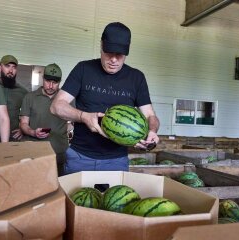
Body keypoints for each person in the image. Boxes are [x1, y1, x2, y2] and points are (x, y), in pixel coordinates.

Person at [50, 22, 160, 174]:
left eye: (120, 55)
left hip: (116, 161)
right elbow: (56, 106)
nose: (114, 60)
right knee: (73, 198)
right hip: (80, 157)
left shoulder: (137, 78)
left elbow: (150, 116)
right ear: (101, 45)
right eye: (109, 52)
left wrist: (152, 131)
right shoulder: (83, 69)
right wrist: (83, 116)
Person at [20, 63, 70, 176]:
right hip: (34, 153)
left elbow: (73, 122)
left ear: (60, 82)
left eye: (55, 82)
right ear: (43, 79)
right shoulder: (30, 97)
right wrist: (33, 132)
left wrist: (68, 127)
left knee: (59, 186)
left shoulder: (67, 99)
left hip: (59, 153)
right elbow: (23, 123)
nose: (51, 86)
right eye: (48, 81)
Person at [0, 55, 27, 141]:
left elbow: (30, 114)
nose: (11, 70)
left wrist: (23, 129)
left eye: (14, 67)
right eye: (7, 66)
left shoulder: (23, 92)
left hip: (13, 139)